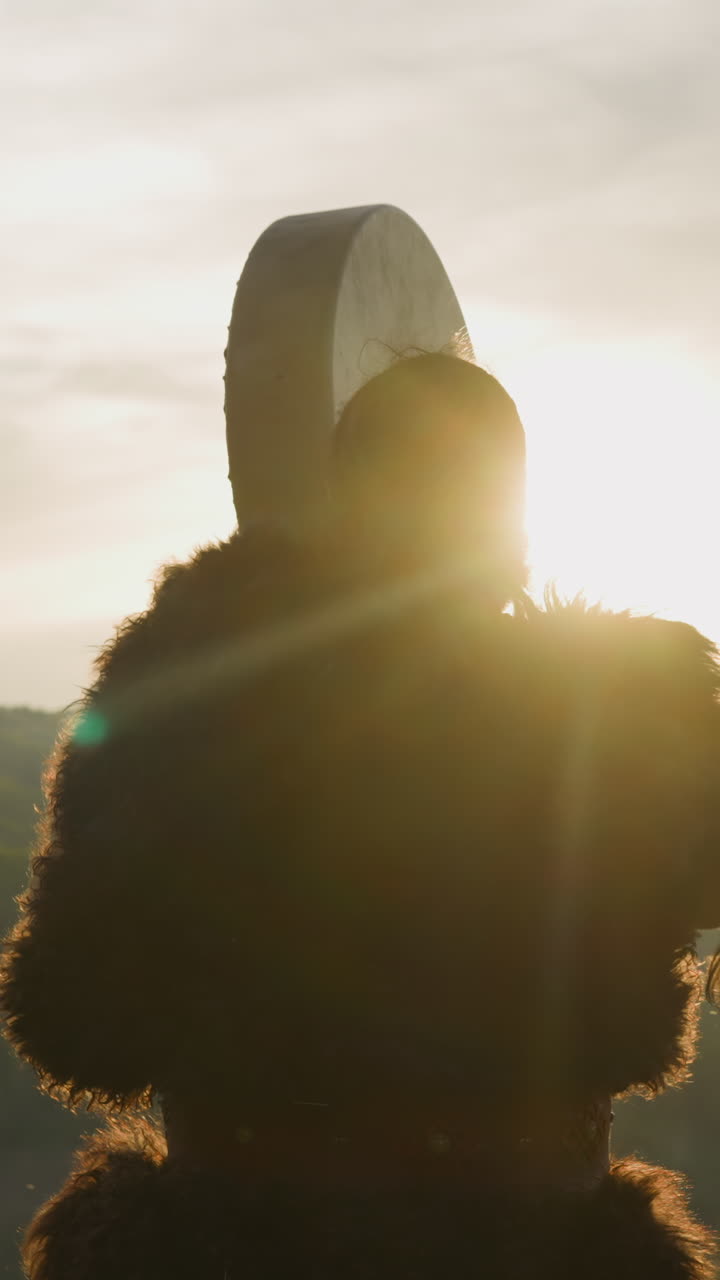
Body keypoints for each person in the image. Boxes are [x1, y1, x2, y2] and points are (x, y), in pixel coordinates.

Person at [3, 353, 719, 1278]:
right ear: (509, 511)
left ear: (345, 490)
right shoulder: (622, 703)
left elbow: (76, 1024)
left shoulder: (180, 687)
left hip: (227, 1248)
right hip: (539, 1249)